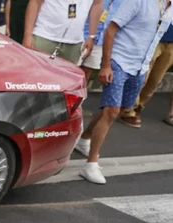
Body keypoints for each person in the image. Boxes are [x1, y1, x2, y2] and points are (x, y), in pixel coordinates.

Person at [74, 0, 172, 184]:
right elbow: (110, 30)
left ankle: (85, 137)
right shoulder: (138, 1)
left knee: (116, 110)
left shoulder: (169, 7)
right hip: (118, 60)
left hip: (140, 66)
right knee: (111, 110)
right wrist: (106, 65)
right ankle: (91, 164)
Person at [118, 23, 173, 128]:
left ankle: (138, 107)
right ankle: (128, 109)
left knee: (155, 80)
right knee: (143, 75)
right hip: (154, 37)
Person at [23, 0, 103, 65]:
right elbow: (35, 2)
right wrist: (28, 35)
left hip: (74, 42)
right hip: (43, 35)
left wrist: (91, 36)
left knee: (65, 81)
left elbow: (97, 4)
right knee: (33, 74)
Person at [77, 0, 124, 81]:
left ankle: (79, 93)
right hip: (82, 35)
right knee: (72, 69)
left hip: (101, 40)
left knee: (86, 73)